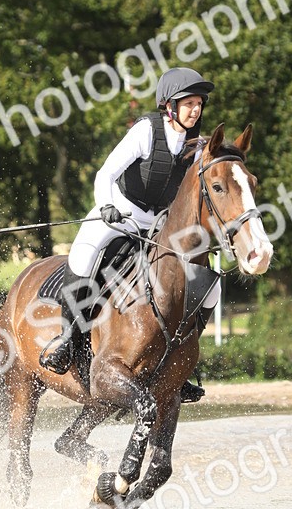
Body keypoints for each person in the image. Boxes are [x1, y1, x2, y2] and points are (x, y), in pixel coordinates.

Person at [40, 66, 220, 399]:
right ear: (170, 105)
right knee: (84, 255)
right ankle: (67, 340)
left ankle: (181, 363)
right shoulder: (146, 132)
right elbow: (105, 174)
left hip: (159, 227)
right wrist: (106, 205)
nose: (196, 110)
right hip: (120, 213)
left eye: (199, 104)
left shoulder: (198, 146)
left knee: (209, 286)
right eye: (189, 103)